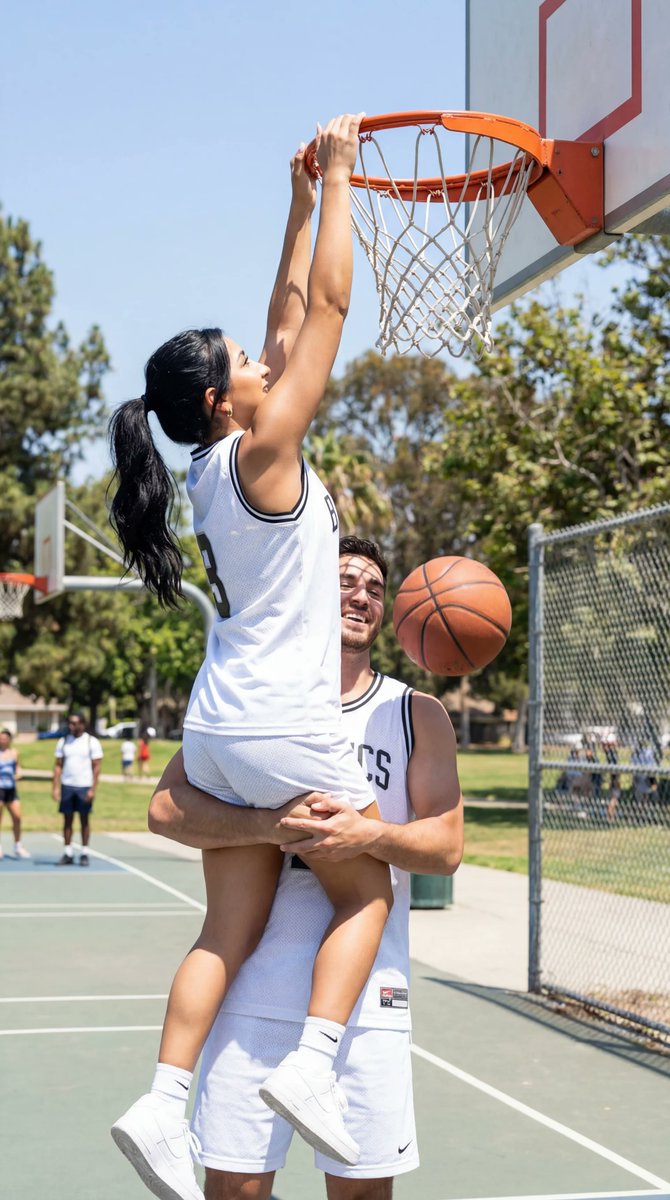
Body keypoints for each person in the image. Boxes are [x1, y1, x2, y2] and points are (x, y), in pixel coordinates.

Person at [108, 114, 394, 1200]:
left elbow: (281, 318)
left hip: (216, 728)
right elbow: (322, 309)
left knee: (230, 920)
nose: (260, 359)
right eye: (241, 363)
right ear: (227, 402)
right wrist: (340, 174)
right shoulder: (270, 455)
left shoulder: (208, 466)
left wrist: (293, 206)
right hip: (280, 718)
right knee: (363, 890)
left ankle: (162, 1099)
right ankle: (315, 1069)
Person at [148, 536, 464, 1200]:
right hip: (257, 975)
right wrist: (265, 827)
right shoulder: (253, 704)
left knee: (361, 1192)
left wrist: (366, 835)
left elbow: (446, 848)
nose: (362, 595)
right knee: (233, 1186)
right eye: (347, 580)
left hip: (367, 989)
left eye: (376, 589)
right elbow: (166, 811)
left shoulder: (416, 714)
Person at [52, 713, 103, 866]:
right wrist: (55, 787)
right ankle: (68, 852)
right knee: (67, 820)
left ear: (82, 724)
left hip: (84, 786)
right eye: (69, 723)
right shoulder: (63, 742)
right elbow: (58, 766)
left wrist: (92, 789)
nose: (71, 726)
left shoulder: (91, 742)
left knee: (84, 820)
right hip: (67, 786)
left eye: (74, 723)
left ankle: (84, 852)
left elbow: (97, 768)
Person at [0, 729, 30, 860]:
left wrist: (19, 774)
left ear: (9, 740)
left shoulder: (14, 753)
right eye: (1, 738)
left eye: (5, 738)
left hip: (11, 790)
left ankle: (18, 845)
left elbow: (18, 768)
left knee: (17, 818)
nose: (3, 740)